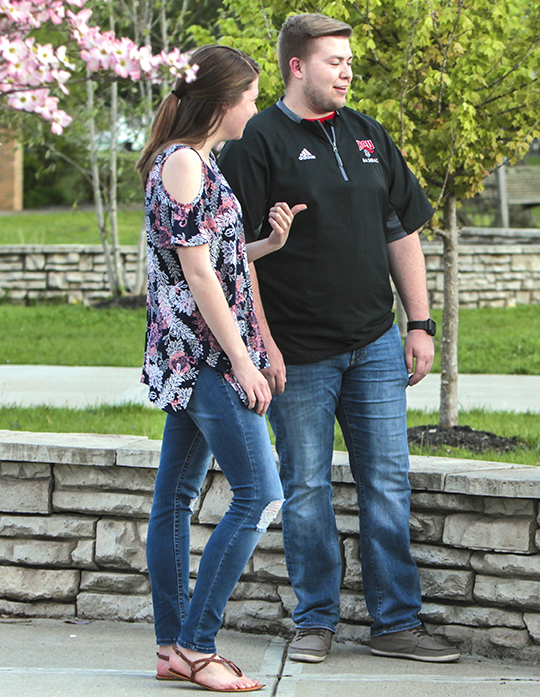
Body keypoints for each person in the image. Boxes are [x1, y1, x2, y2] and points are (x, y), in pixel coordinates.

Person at [217, 14, 459, 664]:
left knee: (388, 481)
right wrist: (262, 345)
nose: (347, 71)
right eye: (334, 60)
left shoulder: (368, 136)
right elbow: (235, 258)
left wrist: (419, 321)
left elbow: (400, 231)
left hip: (375, 343)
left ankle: (396, 622)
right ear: (297, 66)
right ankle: (315, 619)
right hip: (297, 353)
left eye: (350, 60)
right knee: (305, 487)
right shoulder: (255, 142)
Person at [137, 44, 305, 692]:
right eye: (250, 96)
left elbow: (215, 254)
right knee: (260, 492)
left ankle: (173, 648)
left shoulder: (196, 160)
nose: (255, 108)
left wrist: (266, 242)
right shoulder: (182, 162)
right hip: (203, 355)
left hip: (198, 351)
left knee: (175, 498)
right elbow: (199, 274)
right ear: (222, 101)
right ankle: (197, 645)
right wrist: (244, 361)